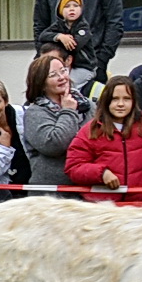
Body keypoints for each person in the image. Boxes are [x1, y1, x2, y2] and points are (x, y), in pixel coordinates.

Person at [66, 76, 142, 199]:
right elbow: (73, 167)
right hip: (103, 206)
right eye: (115, 99)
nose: (120, 104)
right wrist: (101, 173)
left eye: (126, 99)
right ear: (106, 101)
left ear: (134, 101)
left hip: (140, 204)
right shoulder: (91, 130)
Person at [23, 51, 92, 188]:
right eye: (53, 75)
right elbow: (54, 145)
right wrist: (68, 111)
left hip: (87, 187)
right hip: (52, 193)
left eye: (63, 71)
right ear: (41, 83)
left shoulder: (89, 105)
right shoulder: (35, 112)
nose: (61, 77)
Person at [37, 0, 96, 90]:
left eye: (76, 5)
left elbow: (74, 46)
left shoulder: (83, 27)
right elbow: (43, 36)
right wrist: (59, 36)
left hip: (84, 67)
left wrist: (61, 43)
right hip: (64, 67)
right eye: (67, 6)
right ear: (60, 10)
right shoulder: (58, 25)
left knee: (68, 84)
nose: (72, 9)